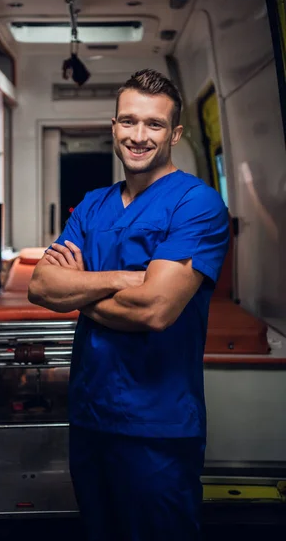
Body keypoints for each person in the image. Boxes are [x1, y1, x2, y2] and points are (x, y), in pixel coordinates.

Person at [28, 69, 229, 540]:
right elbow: (41, 286)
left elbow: (154, 311)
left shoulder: (196, 205)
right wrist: (121, 279)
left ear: (175, 133)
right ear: (114, 126)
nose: (139, 136)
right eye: (129, 121)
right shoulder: (93, 205)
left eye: (154, 125)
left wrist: (79, 288)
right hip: (90, 415)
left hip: (157, 424)